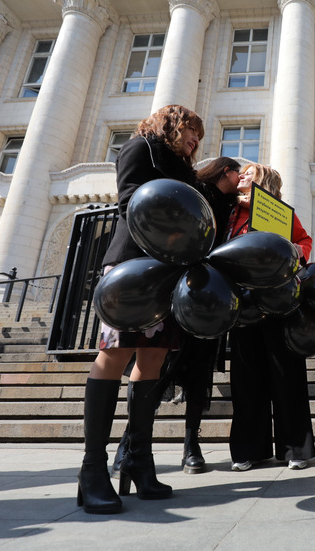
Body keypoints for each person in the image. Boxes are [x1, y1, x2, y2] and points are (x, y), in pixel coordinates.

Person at [78, 105, 217, 514]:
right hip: (133, 264)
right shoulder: (141, 147)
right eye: (192, 131)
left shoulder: (183, 168)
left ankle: (139, 459)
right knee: (115, 352)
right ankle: (93, 469)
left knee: (155, 356)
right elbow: (128, 200)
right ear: (173, 124)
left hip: (171, 269)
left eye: (199, 136)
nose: (195, 140)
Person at [109, 157, 244, 478]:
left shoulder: (235, 207)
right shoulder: (192, 191)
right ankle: (130, 443)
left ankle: (191, 446)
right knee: (158, 370)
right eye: (239, 173)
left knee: (199, 373)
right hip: (176, 291)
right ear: (227, 171)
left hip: (208, 296)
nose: (242, 179)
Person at [226, 163, 315, 471]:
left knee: (287, 375)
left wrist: (295, 249)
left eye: (248, 173)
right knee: (246, 379)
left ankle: (295, 449)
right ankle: (250, 450)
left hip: (279, 301)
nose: (241, 177)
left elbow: (304, 241)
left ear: (262, 180)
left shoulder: (282, 213)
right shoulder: (230, 212)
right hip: (243, 303)